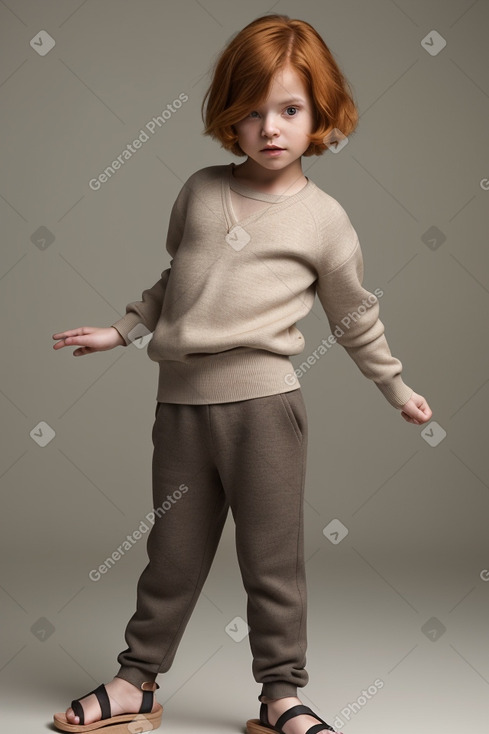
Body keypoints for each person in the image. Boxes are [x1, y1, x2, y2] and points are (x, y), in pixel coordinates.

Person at [51, 13, 432, 734]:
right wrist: (123, 329)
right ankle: (138, 681)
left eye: (288, 109)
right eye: (251, 111)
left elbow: (354, 317)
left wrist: (395, 387)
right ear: (230, 116)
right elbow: (180, 279)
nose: (270, 128)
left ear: (319, 113)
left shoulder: (324, 221)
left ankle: (280, 695)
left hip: (265, 412)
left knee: (272, 563)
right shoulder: (198, 191)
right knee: (172, 553)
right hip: (182, 410)